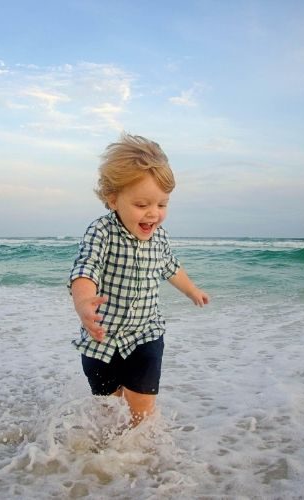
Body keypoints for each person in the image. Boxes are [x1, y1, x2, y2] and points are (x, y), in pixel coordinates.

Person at [69, 132, 209, 426]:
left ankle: (144, 457)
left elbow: (170, 267)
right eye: (142, 204)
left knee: (142, 410)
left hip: (145, 334)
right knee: (109, 410)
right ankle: (103, 461)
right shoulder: (101, 231)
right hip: (101, 339)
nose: (153, 215)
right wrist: (83, 303)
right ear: (113, 199)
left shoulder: (160, 237)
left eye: (162, 205)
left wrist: (192, 290)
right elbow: (86, 268)